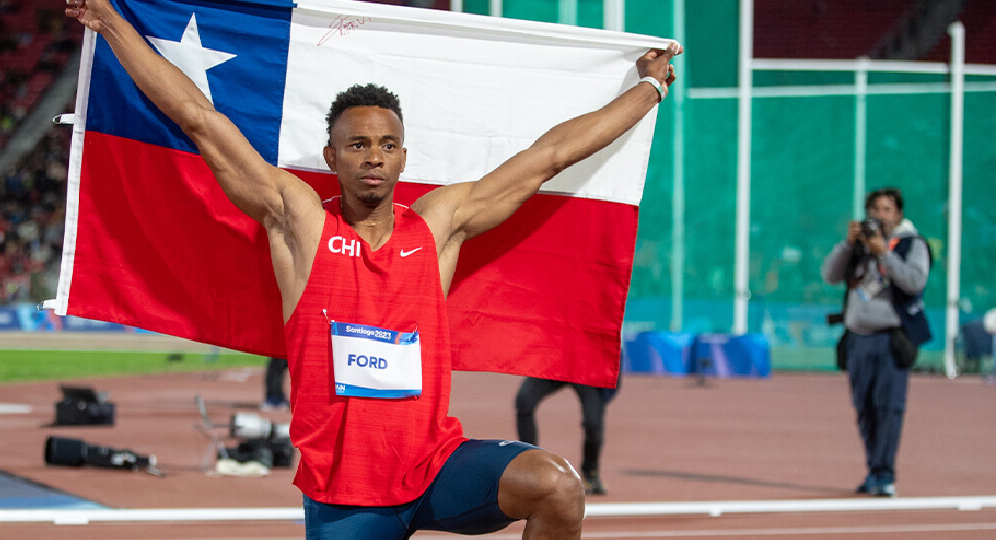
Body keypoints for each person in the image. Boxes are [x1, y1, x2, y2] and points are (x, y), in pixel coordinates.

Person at [65, 1, 679, 537]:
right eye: (357, 145)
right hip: (345, 496)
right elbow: (202, 120)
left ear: (404, 155)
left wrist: (648, 90)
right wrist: (110, 22)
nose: (373, 158)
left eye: (387, 145)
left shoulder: (438, 226)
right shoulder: (301, 223)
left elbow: (549, 157)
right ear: (331, 155)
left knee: (556, 486)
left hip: (434, 466)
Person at [820, 187, 931, 498]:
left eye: (885, 210)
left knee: (889, 408)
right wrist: (848, 243)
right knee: (864, 408)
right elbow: (830, 275)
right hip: (857, 338)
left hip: (891, 339)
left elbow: (914, 282)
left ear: (897, 214)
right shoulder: (857, 246)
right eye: (874, 210)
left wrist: (884, 252)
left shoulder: (911, 244)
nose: (878, 216)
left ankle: (884, 474)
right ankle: (874, 469)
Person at [515, 377, 617, 496]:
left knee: (593, 424)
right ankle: (532, 469)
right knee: (524, 399)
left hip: (586, 370)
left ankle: (591, 474)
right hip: (560, 364)